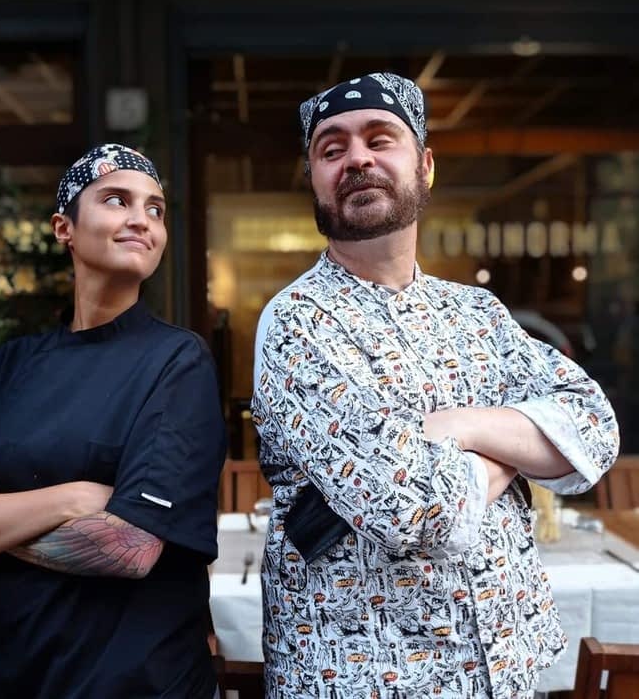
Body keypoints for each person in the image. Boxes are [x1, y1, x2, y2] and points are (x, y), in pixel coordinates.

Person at [251, 73, 619, 698]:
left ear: (425, 166)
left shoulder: (477, 312)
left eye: (380, 139)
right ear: (313, 178)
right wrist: (518, 446)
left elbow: (593, 428)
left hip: (503, 668)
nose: (357, 158)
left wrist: (461, 427)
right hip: (366, 678)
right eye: (332, 148)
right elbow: (414, 510)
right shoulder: (298, 323)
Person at [0, 143, 227, 699]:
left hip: (136, 684)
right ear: (65, 228)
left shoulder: (177, 362)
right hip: (12, 673)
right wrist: (73, 498)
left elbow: (131, 547)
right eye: (116, 200)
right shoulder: (7, 368)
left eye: (155, 209)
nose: (142, 219)